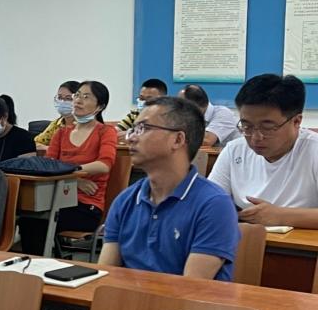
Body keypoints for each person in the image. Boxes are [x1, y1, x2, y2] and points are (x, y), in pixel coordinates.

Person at [100, 97, 240, 280]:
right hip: (129, 297)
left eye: (144, 128)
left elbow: (192, 288)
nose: (132, 138)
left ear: (178, 139)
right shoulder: (126, 200)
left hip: (184, 299)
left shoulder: (214, 205)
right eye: (133, 129)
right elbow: (106, 276)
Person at [209, 74, 318, 228]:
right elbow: (209, 202)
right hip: (246, 238)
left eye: (267, 127)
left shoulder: (313, 150)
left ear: (296, 121)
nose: (255, 137)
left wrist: (280, 216)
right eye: (246, 126)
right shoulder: (234, 150)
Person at [21, 80, 117, 255]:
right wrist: (75, 180)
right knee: (29, 218)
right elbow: (49, 166)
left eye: (86, 97)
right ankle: (37, 265)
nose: (78, 100)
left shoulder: (106, 132)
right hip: (57, 199)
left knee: (39, 222)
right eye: (77, 95)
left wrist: (70, 174)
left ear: (100, 106)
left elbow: (104, 165)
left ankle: (41, 265)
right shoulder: (62, 132)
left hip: (87, 206)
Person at [35, 80, 80, 149]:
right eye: (60, 97)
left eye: (68, 98)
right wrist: (50, 149)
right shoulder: (56, 124)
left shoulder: (86, 125)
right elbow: (36, 143)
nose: (62, 102)